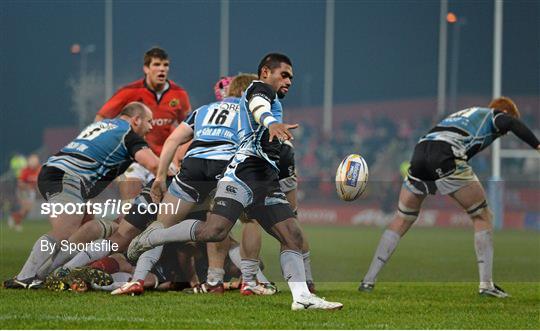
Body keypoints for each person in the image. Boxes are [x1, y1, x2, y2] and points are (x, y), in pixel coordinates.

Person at [128, 53, 343, 310]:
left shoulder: (270, 97)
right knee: (214, 231)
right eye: (284, 74)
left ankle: (301, 298)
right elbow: (258, 107)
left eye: (291, 77)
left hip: (265, 178)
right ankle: (156, 237)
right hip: (243, 172)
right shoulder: (258, 89)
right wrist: (272, 122)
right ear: (265, 72)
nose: (289, 80)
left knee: (292, 234)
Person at [359, 97, 540, 297]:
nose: (503, 133)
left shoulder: (465, 115)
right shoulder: (494, 115)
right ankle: (486, 286)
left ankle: (368, 280)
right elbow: (510, 122)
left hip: (420, 152)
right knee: (483, 216)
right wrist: (537, 145)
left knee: (402, 218)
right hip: (445, 154)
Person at [112, 73, 258, 295]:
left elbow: (172, 140)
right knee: (223, 224)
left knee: (162, 224)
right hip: (225, 166)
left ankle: (137, 279)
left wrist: (161, 177)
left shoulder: (203, 110)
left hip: (193, 167)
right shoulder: (252, 112)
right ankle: (225, 281)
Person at [3, 102, 159, 289]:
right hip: (67, 177)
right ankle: (27, 277)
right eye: (149, 122)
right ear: (136, 119)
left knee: (86, 229)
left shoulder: (103, 125)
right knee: (65, 232)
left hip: (61, 173)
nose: (151, 127)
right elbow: (153, 164)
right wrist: (174, 172)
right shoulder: (128, 135)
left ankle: (51, 274)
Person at [96, 47, 191, 201]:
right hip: (136, 158)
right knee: (130, 204)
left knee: (167, 208)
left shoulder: (179, 94)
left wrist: (179, 158)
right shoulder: (130, 91)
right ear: (146, 68)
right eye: (157, 64)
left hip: (164, 159)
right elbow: (101, 118)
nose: (162, 69)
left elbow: (187, 129)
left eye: (165, 65)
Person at [8, 154, 41, 232]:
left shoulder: (39, 169)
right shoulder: (25, 171)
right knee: (24, 208)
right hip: (23, 191)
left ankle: (13, 217)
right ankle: (17, 225)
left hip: (31, 192)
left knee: (27, 210)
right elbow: (20, 184)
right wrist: (27, 187)